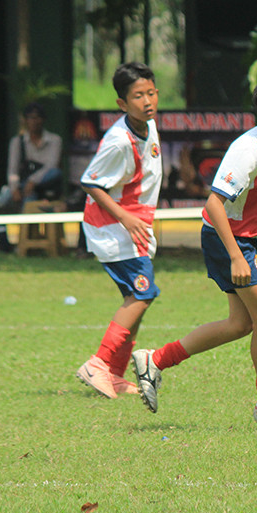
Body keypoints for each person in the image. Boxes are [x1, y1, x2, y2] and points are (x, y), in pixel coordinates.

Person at [131, 70, 257, 430]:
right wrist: (235, 255)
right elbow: (214, 204)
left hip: (242, 238)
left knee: (241, 324)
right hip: (225, 236)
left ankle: (156, 360)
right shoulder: (247, 151)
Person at [74, 62, 163, 399]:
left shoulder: (148, 126)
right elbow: (90, 182)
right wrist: (125, 218)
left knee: (136, 299)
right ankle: (98, 363)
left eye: (151, 93)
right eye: (138, 96)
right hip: (114, 228)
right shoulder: (118, 142)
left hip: (135, 226)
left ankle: (113, 374)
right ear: (122, 104)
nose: (147, 101)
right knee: (143, 294)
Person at [0, 102, 63, 210]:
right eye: (31, 118)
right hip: (24, 183)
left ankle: (9, 193)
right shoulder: (17, 141)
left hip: (44, 181)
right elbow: (13, 169)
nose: (34, 122)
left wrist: (32, 181)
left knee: (55, 172)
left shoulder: (55, 140)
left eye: (37, 118)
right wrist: (14, 188)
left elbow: (52, 165)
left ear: (43, 119)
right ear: (25, 120)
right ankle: (11, 193)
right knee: (22, 196)